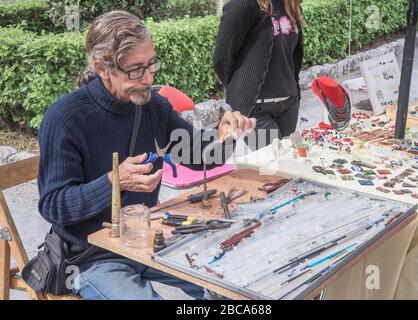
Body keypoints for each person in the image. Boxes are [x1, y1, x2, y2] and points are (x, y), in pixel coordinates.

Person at [37, 10, 256, 300]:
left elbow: (198, 155)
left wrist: (224, 135)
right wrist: (114, 182)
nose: (148, 77)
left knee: (234, 285)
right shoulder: (66, 117)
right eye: (136, 69)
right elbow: (53, 206)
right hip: (92, 256)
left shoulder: (153, 107)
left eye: (151, 64)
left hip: (147, 238)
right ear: (102, 67)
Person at [213, 0, 304, 149]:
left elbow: (291, 56)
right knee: (274, 166)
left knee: (289, 163)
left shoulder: (291, 5)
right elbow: (221, 59)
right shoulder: (244, 4)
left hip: (289, 104)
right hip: (256, 111)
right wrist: (242, 90)